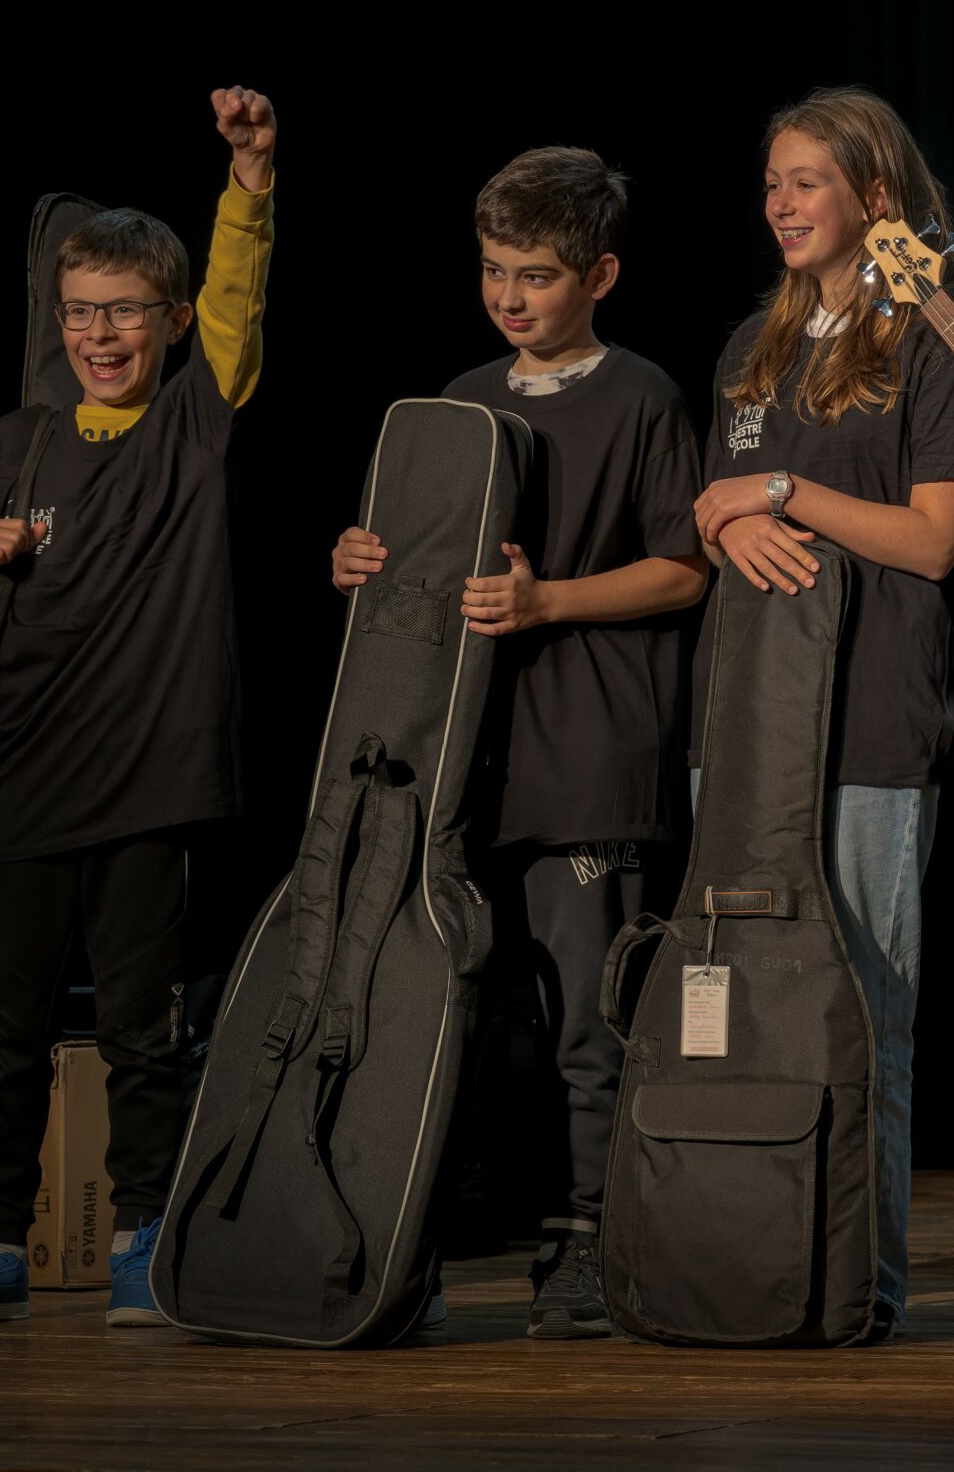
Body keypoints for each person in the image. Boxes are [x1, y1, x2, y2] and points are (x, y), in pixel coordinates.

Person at [0, 88, 279, 1328]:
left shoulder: (190, 424)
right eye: (78, 311)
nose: (98, 333)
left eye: (122, 311)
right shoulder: (17, 438)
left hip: (148, 783)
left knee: (140, 1035)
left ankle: (142, 1235)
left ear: (167, 321)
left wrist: (248, 175)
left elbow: (238, 294)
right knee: (4, 1037)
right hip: (19, 782)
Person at [331, 146, 709, 1339]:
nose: (510, 295)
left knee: (587, 1025)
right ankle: (422, 1236)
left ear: (597, 273)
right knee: (456, 1016)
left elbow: (684, 566)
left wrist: (550, 601)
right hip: (462, 760)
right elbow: (423, 581)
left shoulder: (640, 393)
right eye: (494, 270)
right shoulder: (460, 393)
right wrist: (361, 566)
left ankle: (595, 1235)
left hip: (590, 759)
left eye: (536, 275)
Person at [689, 87, 954, 1342]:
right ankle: (742, 1269)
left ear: (875, 195)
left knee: (865, 1006)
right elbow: (711, 512)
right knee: (743, 1007)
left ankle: (857, 1279)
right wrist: (724, 513)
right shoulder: (750, 349)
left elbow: (932, 541)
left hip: (870, 717)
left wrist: (781, 489)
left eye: (807, 180)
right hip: (749, 725)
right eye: (772, 182)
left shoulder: (931, 334)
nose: (781, 203)